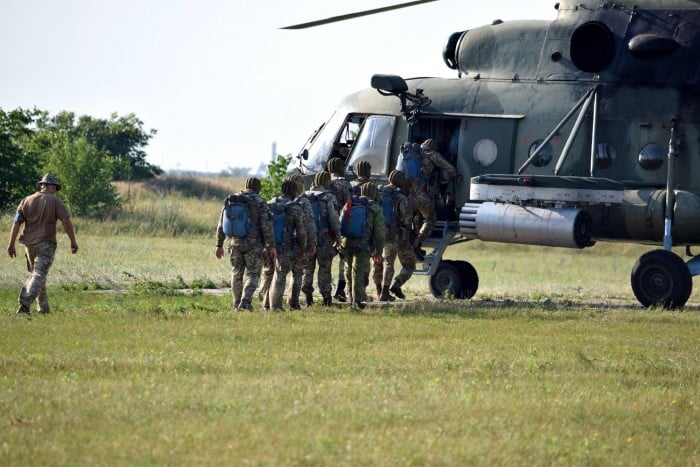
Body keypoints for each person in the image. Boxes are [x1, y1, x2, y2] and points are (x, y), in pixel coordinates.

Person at [7, 174, 79, 315]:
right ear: (52, 187)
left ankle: (43, 309)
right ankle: (24, 304)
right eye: (55, 188)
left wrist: (11, 244)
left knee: (39, 275)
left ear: (42, 185)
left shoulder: (26, 200)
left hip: (29, 246)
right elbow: (66, 221)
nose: (55, 191)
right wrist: (73, 241)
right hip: (46, 244)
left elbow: (16, 222)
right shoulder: (56, 201)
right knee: (38, 275)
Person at [216, 177, 275, 311]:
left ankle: (236, 304)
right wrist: (271, 245)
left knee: (236, 273)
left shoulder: (232, 200)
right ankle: (245, 303)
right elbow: (266, 226)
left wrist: (219, 245)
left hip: (234, 243)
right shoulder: (260, 202)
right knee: (253, 274)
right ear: (258, 188)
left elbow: (221, 224)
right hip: (254, 244)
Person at [338, 182, 385, 309]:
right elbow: (380, 232)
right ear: (374, 193)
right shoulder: (374, 207)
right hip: (362, 244)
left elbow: (340, 222)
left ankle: (350, 298)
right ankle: (357, 301)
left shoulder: (350, 202)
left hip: (346, 242)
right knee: (358, 272)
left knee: (348, 270)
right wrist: (379, 251)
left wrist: (339, 240)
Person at [373, 170, 414, 301]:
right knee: (389, 263)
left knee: (377, 261)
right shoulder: (400, 197)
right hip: (392, 234)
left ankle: (378, 290)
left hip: (376, 234)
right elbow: (407, 219)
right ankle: (385, 292)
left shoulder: (378, 192)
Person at [302, 171, 341, 306]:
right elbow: (334, 218)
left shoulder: (305, 196)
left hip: (308, 238)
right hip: (325, 238)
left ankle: (308, 297)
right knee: (325, 268)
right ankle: (326, 298)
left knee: (307, 268)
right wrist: (338, 236)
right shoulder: (329, 197)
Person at [268, 180, 307, 311]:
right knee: (281, 274)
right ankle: (276, 306)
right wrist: (303, 247)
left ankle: (266, 304)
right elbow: (301, 231)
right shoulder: (295, 207)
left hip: (269, 245)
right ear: (294, 191)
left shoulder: (270, 204)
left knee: (269, 274)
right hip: (285, 246)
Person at [286, 173, 317, 309]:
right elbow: (310, 223)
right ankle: (294, 302)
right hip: (299, 241)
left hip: (283, 241)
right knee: (298, 273)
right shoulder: (304, 201)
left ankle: (270, 302)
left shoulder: (282, 200)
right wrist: (313, 242)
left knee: (279, 273)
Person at [327, 157, 352, 302]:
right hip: (340, 225)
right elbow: (349, 204)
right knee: (344, 258)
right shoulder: (344, 183)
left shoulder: (322, 182)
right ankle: (340, 289)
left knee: (325, 261)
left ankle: (325, 291)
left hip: (325, 227)